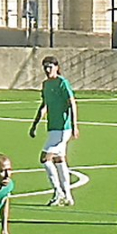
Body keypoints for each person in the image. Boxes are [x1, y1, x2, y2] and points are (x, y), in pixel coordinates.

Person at [29, 55, 79, 206]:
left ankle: (58, 191)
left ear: (57, 67)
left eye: (50, 66)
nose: (47, 70)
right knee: (59, 160)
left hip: (63, 128)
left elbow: (72, 104)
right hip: (52, 127)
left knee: (45, 158)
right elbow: (44, 106)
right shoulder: (45, 85)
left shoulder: (62, 83)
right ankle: (68, 196)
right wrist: (35, 124)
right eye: (45, 67)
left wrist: (75, 125)